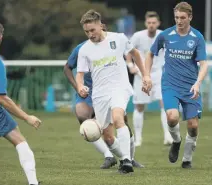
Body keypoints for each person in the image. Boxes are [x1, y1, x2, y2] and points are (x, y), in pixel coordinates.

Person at [76, 10, 145, 173]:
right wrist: (80, 86)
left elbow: (135, 53)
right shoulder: (84, 50)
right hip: (99, 94)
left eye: (92, 30)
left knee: (118, 117)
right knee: (107, 136)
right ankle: (124, 159)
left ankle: (127, 161)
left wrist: (146, 75)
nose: (90, 34)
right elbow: (79, 75)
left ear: (100, 25)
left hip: (119, 87)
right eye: (86, 31)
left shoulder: (118, 38)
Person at [143, 2, 208, 168]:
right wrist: (147, 75)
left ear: (190, 17)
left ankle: (187, 160)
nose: (179, 21)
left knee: (193, 126)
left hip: (190, 87)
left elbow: (203, 64)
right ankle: (176, 141)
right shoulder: (166, 35)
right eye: (177, 17)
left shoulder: (197, 37)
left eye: (183, 18)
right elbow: (150, 54)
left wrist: (197, 83)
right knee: (172, 117)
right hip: (170, 84)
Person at [63, 34, 144, 169]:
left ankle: (130, 158)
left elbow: (131, 55)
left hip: (112, 90)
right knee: (83, 117)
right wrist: (78, 87)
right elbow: (67, 68)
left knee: (121, 121)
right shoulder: (82, 48)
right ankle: (109, 155)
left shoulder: (115, 41)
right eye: (88, 31)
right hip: (88, 92)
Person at [0, 21, 41, 184]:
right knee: (19, 140)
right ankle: (33, 182)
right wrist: (26, 117)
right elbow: (1, 98)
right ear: (1, 37)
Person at [126, 11, 173, 146]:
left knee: (165, 104)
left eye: (154, 23)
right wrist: (130, 65)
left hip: (159, 75)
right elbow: (129, 52)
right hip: (142, 74)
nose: (151, 25)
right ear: (146, 23)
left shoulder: (163, 35)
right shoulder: (137, 36)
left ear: (158, 23)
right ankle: (138, 139)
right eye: (149, 23)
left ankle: (168, 136)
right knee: (139, 106)